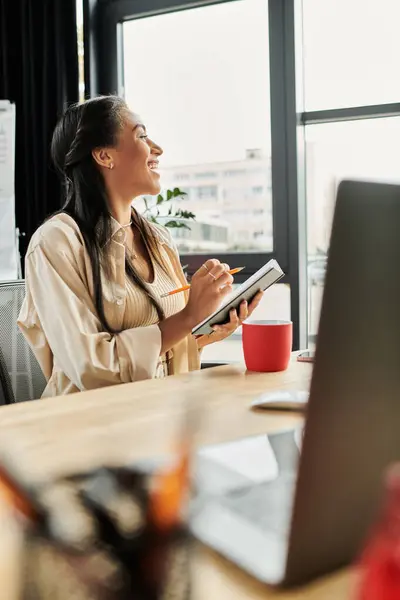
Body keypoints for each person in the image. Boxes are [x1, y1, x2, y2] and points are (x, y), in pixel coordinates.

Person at [18, 96, 263, 398]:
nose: (157, 149)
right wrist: (187, 317)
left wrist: (202, 331)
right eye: (142, 135)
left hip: (157, 412)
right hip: (86, 427)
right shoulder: (56, 242)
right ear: (104, 156)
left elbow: (161, 346)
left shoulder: (158, 239)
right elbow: (92, 368)